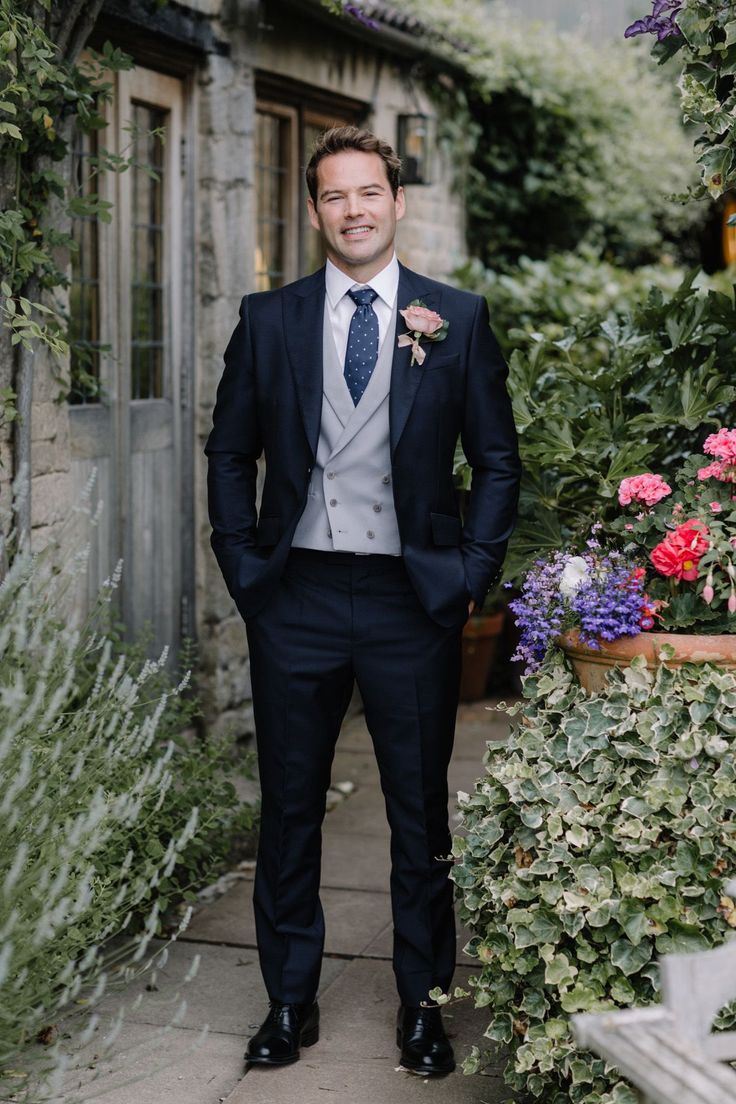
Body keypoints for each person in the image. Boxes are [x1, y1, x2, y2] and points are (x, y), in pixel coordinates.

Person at [204, 125, 521, 1076]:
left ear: (397, 200)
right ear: (314, 212)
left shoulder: (456, 319)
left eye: (369, 193)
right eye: (334, 196)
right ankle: (288, 1002)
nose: (353, 210)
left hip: (406, 599)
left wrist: (468, 576)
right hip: (293, 595)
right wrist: (244, 565)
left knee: (419, 816)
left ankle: (422, 1009)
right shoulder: (271, 320)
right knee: (290, 808)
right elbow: (229, 452)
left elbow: (499, 464)